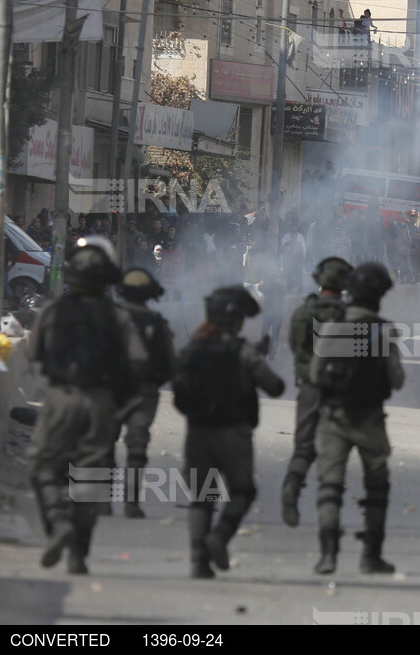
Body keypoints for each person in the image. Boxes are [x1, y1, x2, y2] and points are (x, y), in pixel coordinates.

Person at [27, 236, 144, 575]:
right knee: (91, 477)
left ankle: (57, 520)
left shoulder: (53, 309)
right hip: (101, 402)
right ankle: (79, 555)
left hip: (61, 398)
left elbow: (33, 353)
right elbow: (138, 362)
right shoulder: (118, 316)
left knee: (44, 465)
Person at [172, 286, 284, 579]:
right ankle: (219, 537)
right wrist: (255, 360)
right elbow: (276, 387)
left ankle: (198, 561)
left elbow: (179, 391)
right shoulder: (243, 352)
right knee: (243, 492)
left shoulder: (191, 349)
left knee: (202, 496)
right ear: (236, 321)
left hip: (197, 434)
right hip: (234, 435)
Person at [309, 263, 404, 575]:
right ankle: (371, 555)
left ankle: (328, 554)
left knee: (330, 485)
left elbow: (314, 374)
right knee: (377, 486)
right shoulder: (383, 330)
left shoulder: (332, 327)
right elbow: (397, 379)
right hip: (370, 420)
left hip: (333, 418)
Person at [281, 257, 354, 528]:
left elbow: (293, 345)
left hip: (309, 388)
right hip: (339, 391)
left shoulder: (303, 312)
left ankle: (292, 484)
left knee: (304, 446)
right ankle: (328, 510)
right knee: (334, 451)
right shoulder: (348, 316)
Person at [108, 268, 175, 520]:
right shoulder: (157, 323)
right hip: (143, 392)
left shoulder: (109, 317)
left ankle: (102, 501)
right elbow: (168, 364)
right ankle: (131, 504)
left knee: (103, 444)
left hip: (110, 390)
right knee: (137, 448)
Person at [258, 273, 287, 361]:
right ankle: (272, 352)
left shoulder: (268, 285)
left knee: (265, 333)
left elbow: (260, 288)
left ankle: (266, 352)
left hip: (270, 313)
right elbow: (286, 291)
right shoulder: (281, 285)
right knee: (275, 334)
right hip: (277, 313)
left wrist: (263, 282)